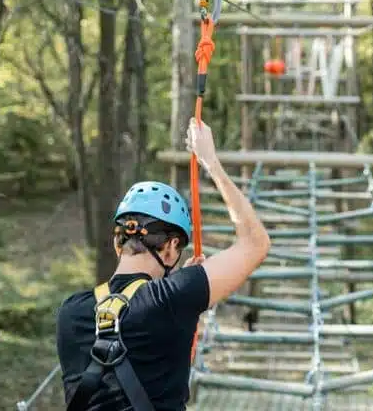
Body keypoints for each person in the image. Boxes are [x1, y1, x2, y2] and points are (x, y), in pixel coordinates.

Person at [56, 118, 271, 411]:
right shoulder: (172, 300)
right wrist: (211, 163)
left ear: (117, 242)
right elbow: (256, 244)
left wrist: (180, 291)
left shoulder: (70, 312)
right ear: (170, 250)